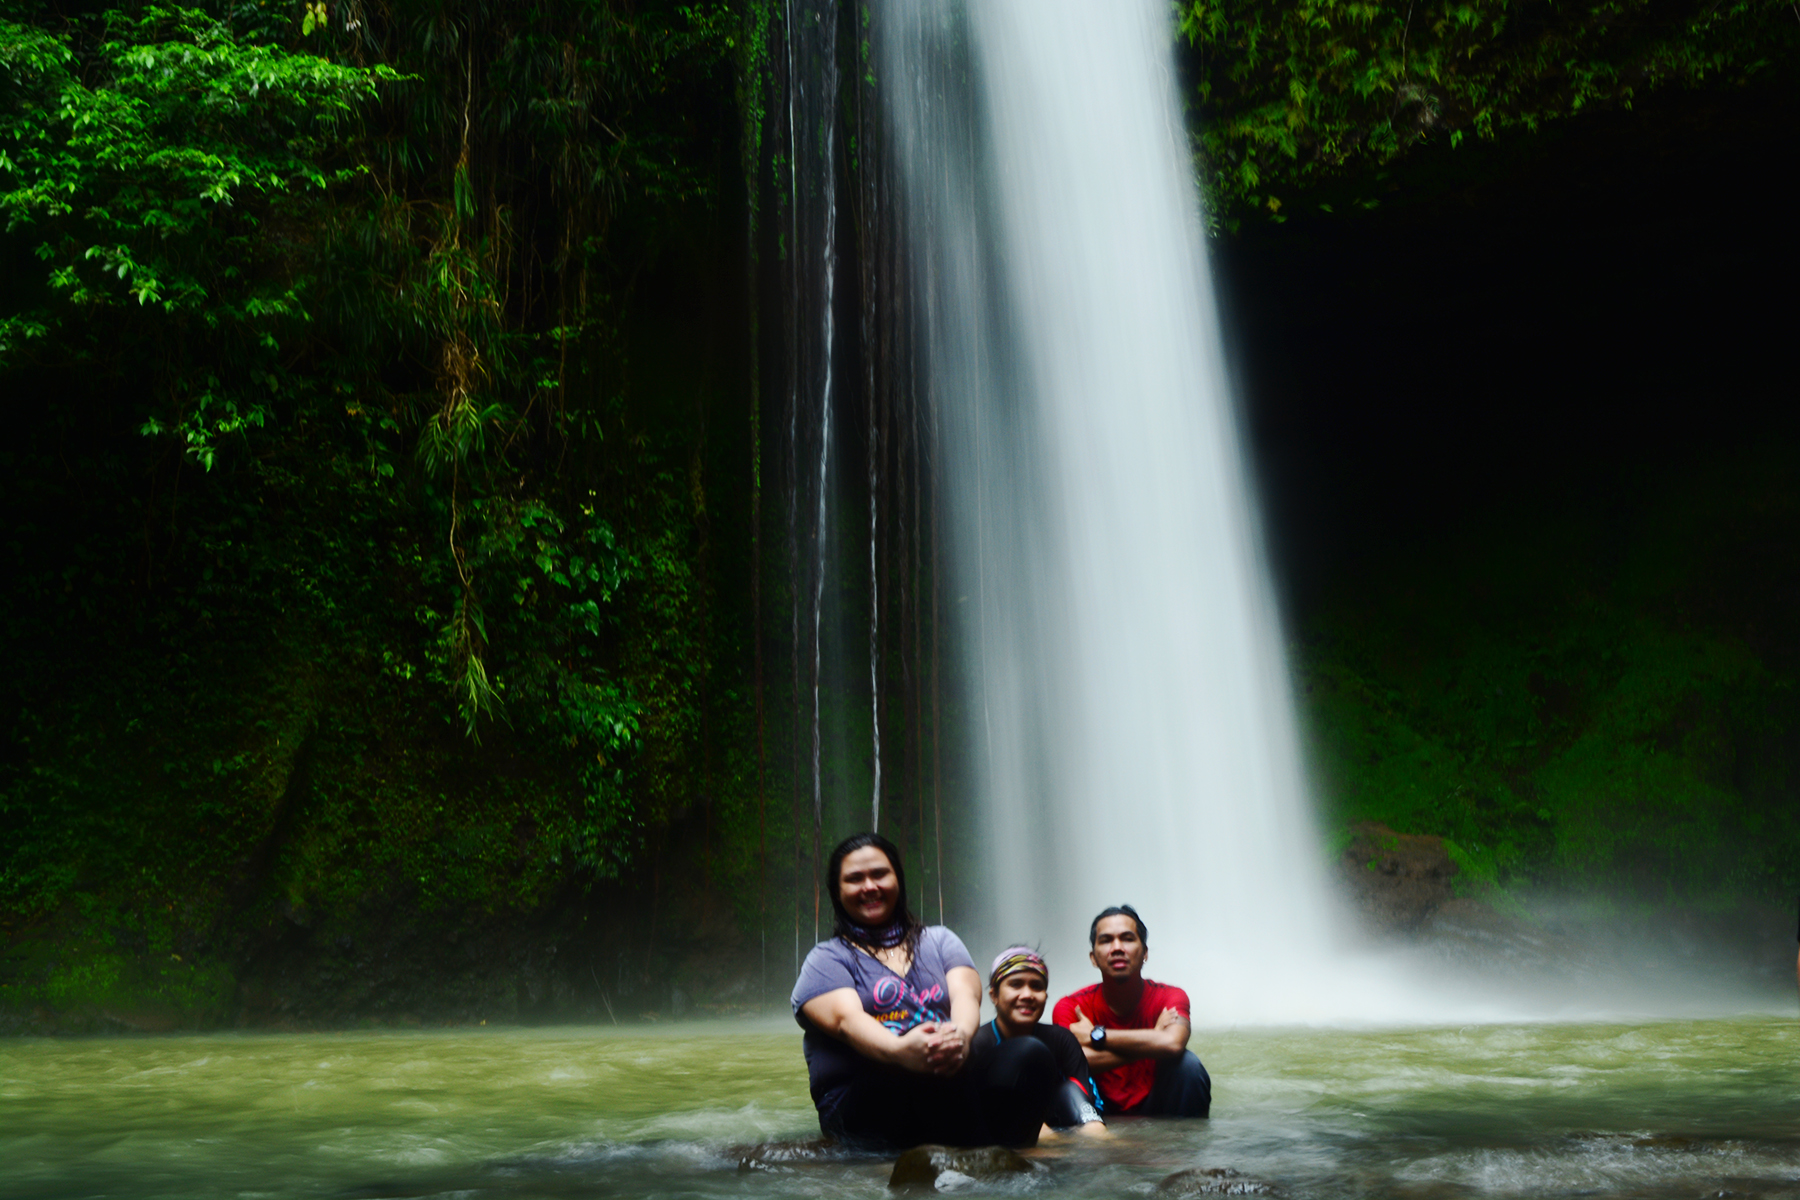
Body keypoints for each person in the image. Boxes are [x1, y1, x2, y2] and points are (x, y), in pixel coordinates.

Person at [792, 832, 1063, 1149]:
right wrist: (903, 1050)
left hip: (947, 1079)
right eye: (855, 879)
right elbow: (847, 1021)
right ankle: (979, 1160)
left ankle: (1002, 1160)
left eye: (879, 874)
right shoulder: (826, 959)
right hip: (861, 1104)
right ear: (838, 893)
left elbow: (966, 995)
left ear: (898, 880)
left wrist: (961, 1037)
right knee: (929, 1054)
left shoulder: (939, 941)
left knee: (1030, 1055)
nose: (869, 886)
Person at [1051, 904, 1212, 1118]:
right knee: (1063, 1085)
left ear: (1144, 952)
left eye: (1127, 938)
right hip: (1096, 1109)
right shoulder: (1071, 1006)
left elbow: (1172, 1044)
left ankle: (1184, 1146)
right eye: (1106, 940)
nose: (1117, 947)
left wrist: (1095, 1035)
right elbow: (1072, 1064)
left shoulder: (1169, 997)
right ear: (1093, 958)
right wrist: (1153, 1040)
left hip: (1157, 1105)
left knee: (1188, 1066)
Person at [969, 945, 1106, 1136]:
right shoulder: (977, 1044)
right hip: (1002, 1130)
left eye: (1036, 986)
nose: (1027, 995)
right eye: (1016, 984)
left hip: (1060, 1125)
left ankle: (1105, 1147)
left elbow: (1090, 1101)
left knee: (1071, 1092)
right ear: (994, 996)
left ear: (1045, 997)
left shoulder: (1061, 1040)